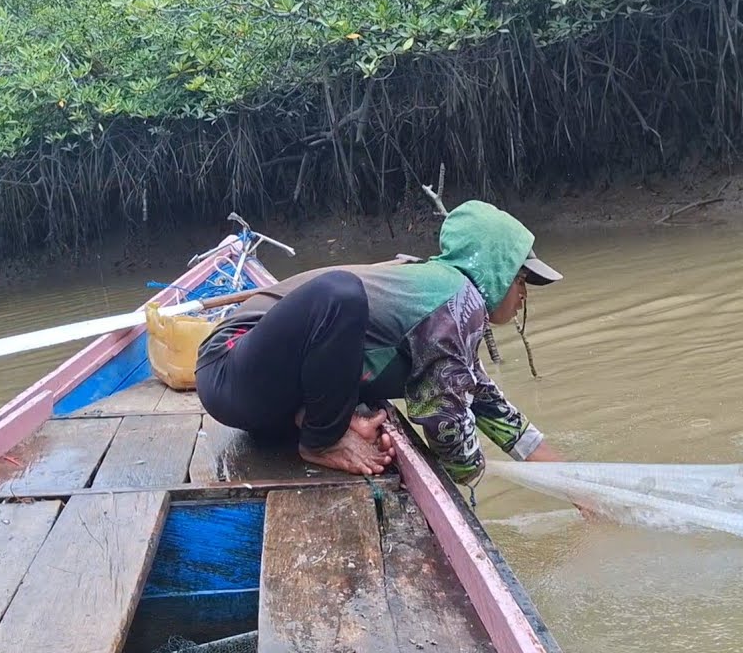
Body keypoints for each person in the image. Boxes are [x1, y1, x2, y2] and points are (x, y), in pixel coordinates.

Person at [193, 199, 569, 485]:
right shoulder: (457, 301)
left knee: (346, 314)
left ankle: (319, 420)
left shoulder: (445, 304)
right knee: (340, 294)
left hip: (263, 396)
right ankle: (322, 440)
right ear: (496, 271)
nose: (523, 295)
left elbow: (491, 407)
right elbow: (445, 423)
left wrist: (575, 487)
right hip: (231, 366)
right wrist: (470, 471)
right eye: (521, 280)